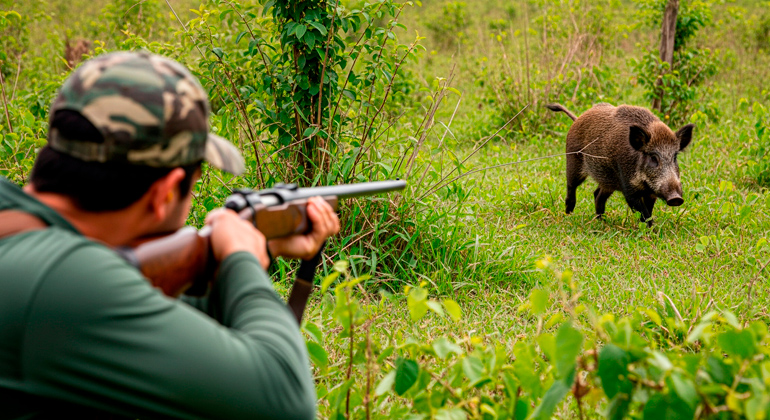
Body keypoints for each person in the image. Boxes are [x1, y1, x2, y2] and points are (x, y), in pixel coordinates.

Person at [0, 51, 339, 419]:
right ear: (165, 193)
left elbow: (144, 314)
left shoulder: (25, 240)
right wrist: (243, 261)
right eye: (193, 186)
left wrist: (258, 245)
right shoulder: (63, 281)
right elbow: (285, 401)